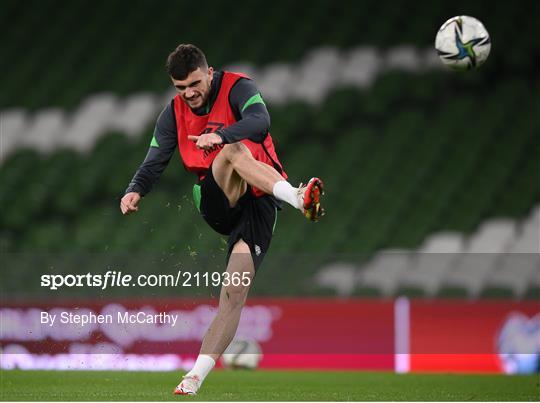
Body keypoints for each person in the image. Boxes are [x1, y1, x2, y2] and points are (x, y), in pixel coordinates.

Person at [120, 44, 325, 395]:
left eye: (194, 83)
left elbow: (261, 122)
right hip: (218, 197)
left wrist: (221, 133)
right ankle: (297, 196)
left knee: (234, 293)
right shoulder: (173, 113)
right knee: (231, 152)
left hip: (259, 205)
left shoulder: (238, 87)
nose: (189, 93)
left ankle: (193, 378)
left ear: (209, 72)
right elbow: (156, 157)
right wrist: (135, 188)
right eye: (180, 87)